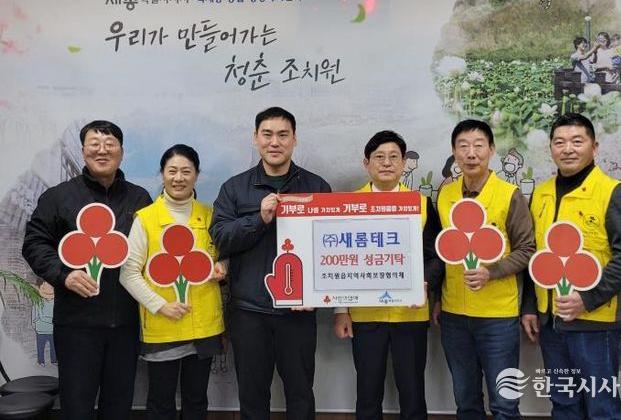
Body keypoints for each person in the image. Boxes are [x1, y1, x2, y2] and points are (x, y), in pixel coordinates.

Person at [22, 120, 152, 419]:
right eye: (94, 144)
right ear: (83, 151)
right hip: (76, 324)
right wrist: (64, 275)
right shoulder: (58, 197)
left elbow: (152, 251)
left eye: (110, 144)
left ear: (121, 152)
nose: (102, 150)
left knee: (118, 404)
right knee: (76, 405)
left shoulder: (140, 199)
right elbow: (34, 243)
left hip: (126, 323)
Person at [210, 106, 331, 420]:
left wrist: (317, 294)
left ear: (294, 139)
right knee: (252, 397)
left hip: (299, 313)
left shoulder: (316, 187)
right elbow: (220, 238)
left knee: (301, 393)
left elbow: (328, 248)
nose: (274, 142)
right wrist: (259, 219)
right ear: (255, 138)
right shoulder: (234, 188)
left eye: (282, 135)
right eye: (267, 134)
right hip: (249, 311)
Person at [521, 113, 621, 419]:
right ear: (551, 148)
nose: (568, 149)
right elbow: (536, 256)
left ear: (594, 147)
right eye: (559, 142)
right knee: (563, 403)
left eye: (577, 141)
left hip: (593, 323)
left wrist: (587, 298)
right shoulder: (541, 193)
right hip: (551, 323)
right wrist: (530, 306)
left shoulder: (612, 192)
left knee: (601, 406)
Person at [333, 130, 443, 420]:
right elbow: (339, 263)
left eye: (394, 157)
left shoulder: (421, 204)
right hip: (365, 315)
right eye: (379, 157)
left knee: (413, 393)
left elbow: (434, 256)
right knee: (368, 394)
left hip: (411, 313)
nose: (386, 162)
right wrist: (341, 311)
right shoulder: (348, 205)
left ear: (404, 163)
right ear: (366, 163)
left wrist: (425, 283)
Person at [433, 119, 535, 420]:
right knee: (466, 401)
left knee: (504, 403)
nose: (471, 153)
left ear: (491, 150)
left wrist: (492, 271)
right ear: (454, 151)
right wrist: (438, 298)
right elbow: (443, 250)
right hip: (454, 314)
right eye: (463, 146)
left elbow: (527, 249)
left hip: (497, 316)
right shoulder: (445, 195)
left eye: (479, 146)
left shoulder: (509, 194)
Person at [120, 144, 225, 420]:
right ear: (162, 173)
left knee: (197, 399)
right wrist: (159, 305)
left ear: (197, 175)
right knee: (161, 402)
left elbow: (224, 257)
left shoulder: (210, 215)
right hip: (163, 325)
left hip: (204, 325)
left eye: (186, 171)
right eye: (172, 171)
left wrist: (222, 267)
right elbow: (128, 273)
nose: (179, 178)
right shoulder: (146, 218)